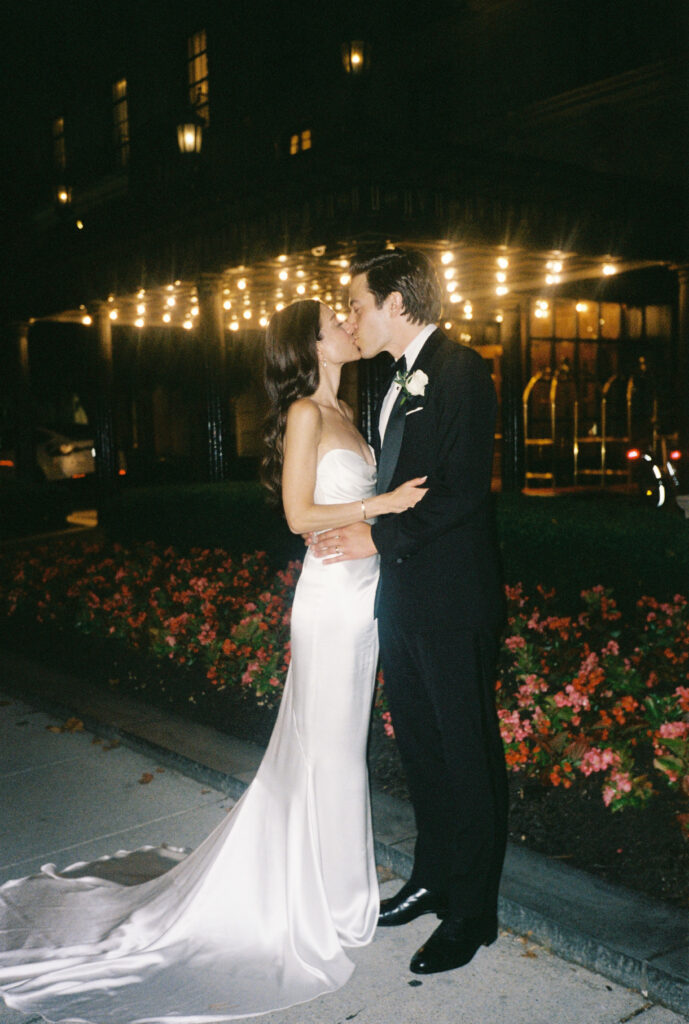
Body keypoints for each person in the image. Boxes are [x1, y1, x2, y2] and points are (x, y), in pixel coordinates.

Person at [0, 298, 426, 1024]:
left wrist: (378, 518)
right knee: (329, 753)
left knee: (336, 749)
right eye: (333, 322)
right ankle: (329, 900)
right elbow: (297, 516)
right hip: (329, 604)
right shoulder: (304, 415)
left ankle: (329, 887)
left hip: (363, 599)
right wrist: (379, 505)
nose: (347, 327)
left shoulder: (350, 411)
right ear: (309, 345)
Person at [311, 249, 508, 975]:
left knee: (465, 754)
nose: (351, 317)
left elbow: (459, 492)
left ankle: (471, 914)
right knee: (423, 750)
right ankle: (431, 878)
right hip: (401, 598)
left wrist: (375, 534)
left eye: (356, 303)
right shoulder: (393, 380)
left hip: (452, 599)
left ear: (397, 302)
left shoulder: (460, 369)